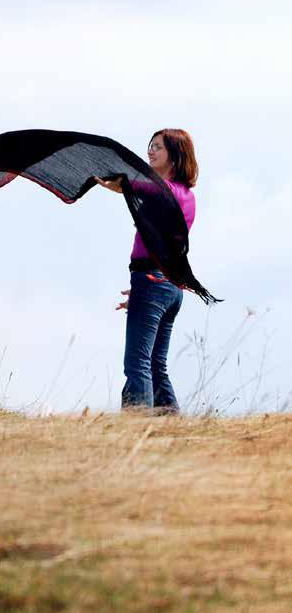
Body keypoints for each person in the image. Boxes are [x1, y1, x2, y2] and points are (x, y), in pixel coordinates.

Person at [95, 129, 198, 413]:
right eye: (150, 146)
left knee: (137, 362)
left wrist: (111, 181)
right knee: (155, 364)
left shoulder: (162, 190)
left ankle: (138, 428)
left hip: (154, 281)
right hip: (167, 285)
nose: (150, 152)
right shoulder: (186, 196)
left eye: (158, 148)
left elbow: (129, 185)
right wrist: (150, 286)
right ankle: (170, 426)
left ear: (175, 158)